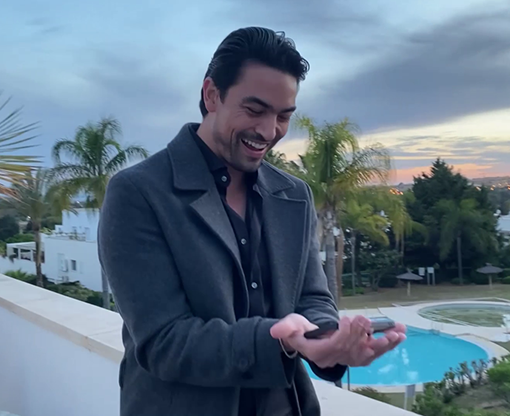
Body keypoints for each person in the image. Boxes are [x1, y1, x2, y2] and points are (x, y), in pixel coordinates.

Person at [98, 26, 407, 416]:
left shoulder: (293, 195)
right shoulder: (139, 193)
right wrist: (279, 341)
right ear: (212, 95)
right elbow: (164, 341)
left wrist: (327, 339)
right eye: (255, 110)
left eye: (283, 116)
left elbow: (312, 297)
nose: (268, 131)